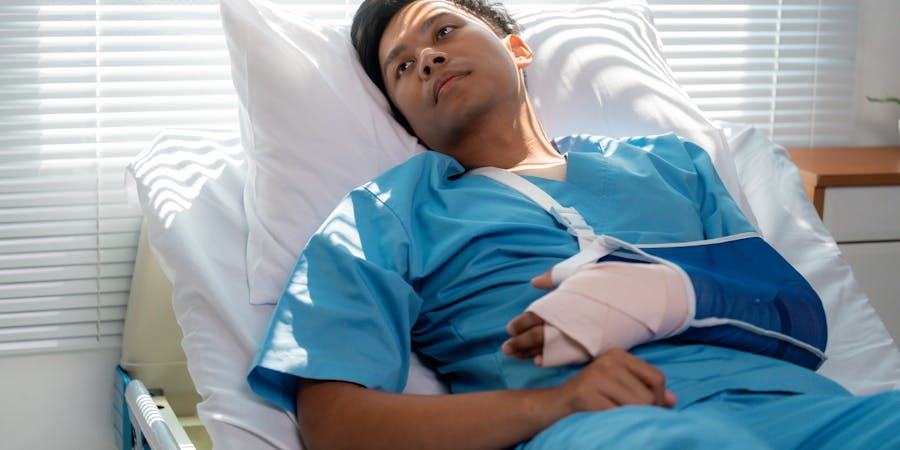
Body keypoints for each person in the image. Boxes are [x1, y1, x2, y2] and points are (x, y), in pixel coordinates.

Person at [247, 1, 900, 448]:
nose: (426, 59)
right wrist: (556, 404)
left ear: (517, 49)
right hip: (611, 429)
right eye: (402, 66)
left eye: (443, 32)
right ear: (404, 120)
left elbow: (793, 317)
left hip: (805, 411)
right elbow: (333, 422)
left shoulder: (671, 167)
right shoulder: (384, 214)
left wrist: (663, 294)